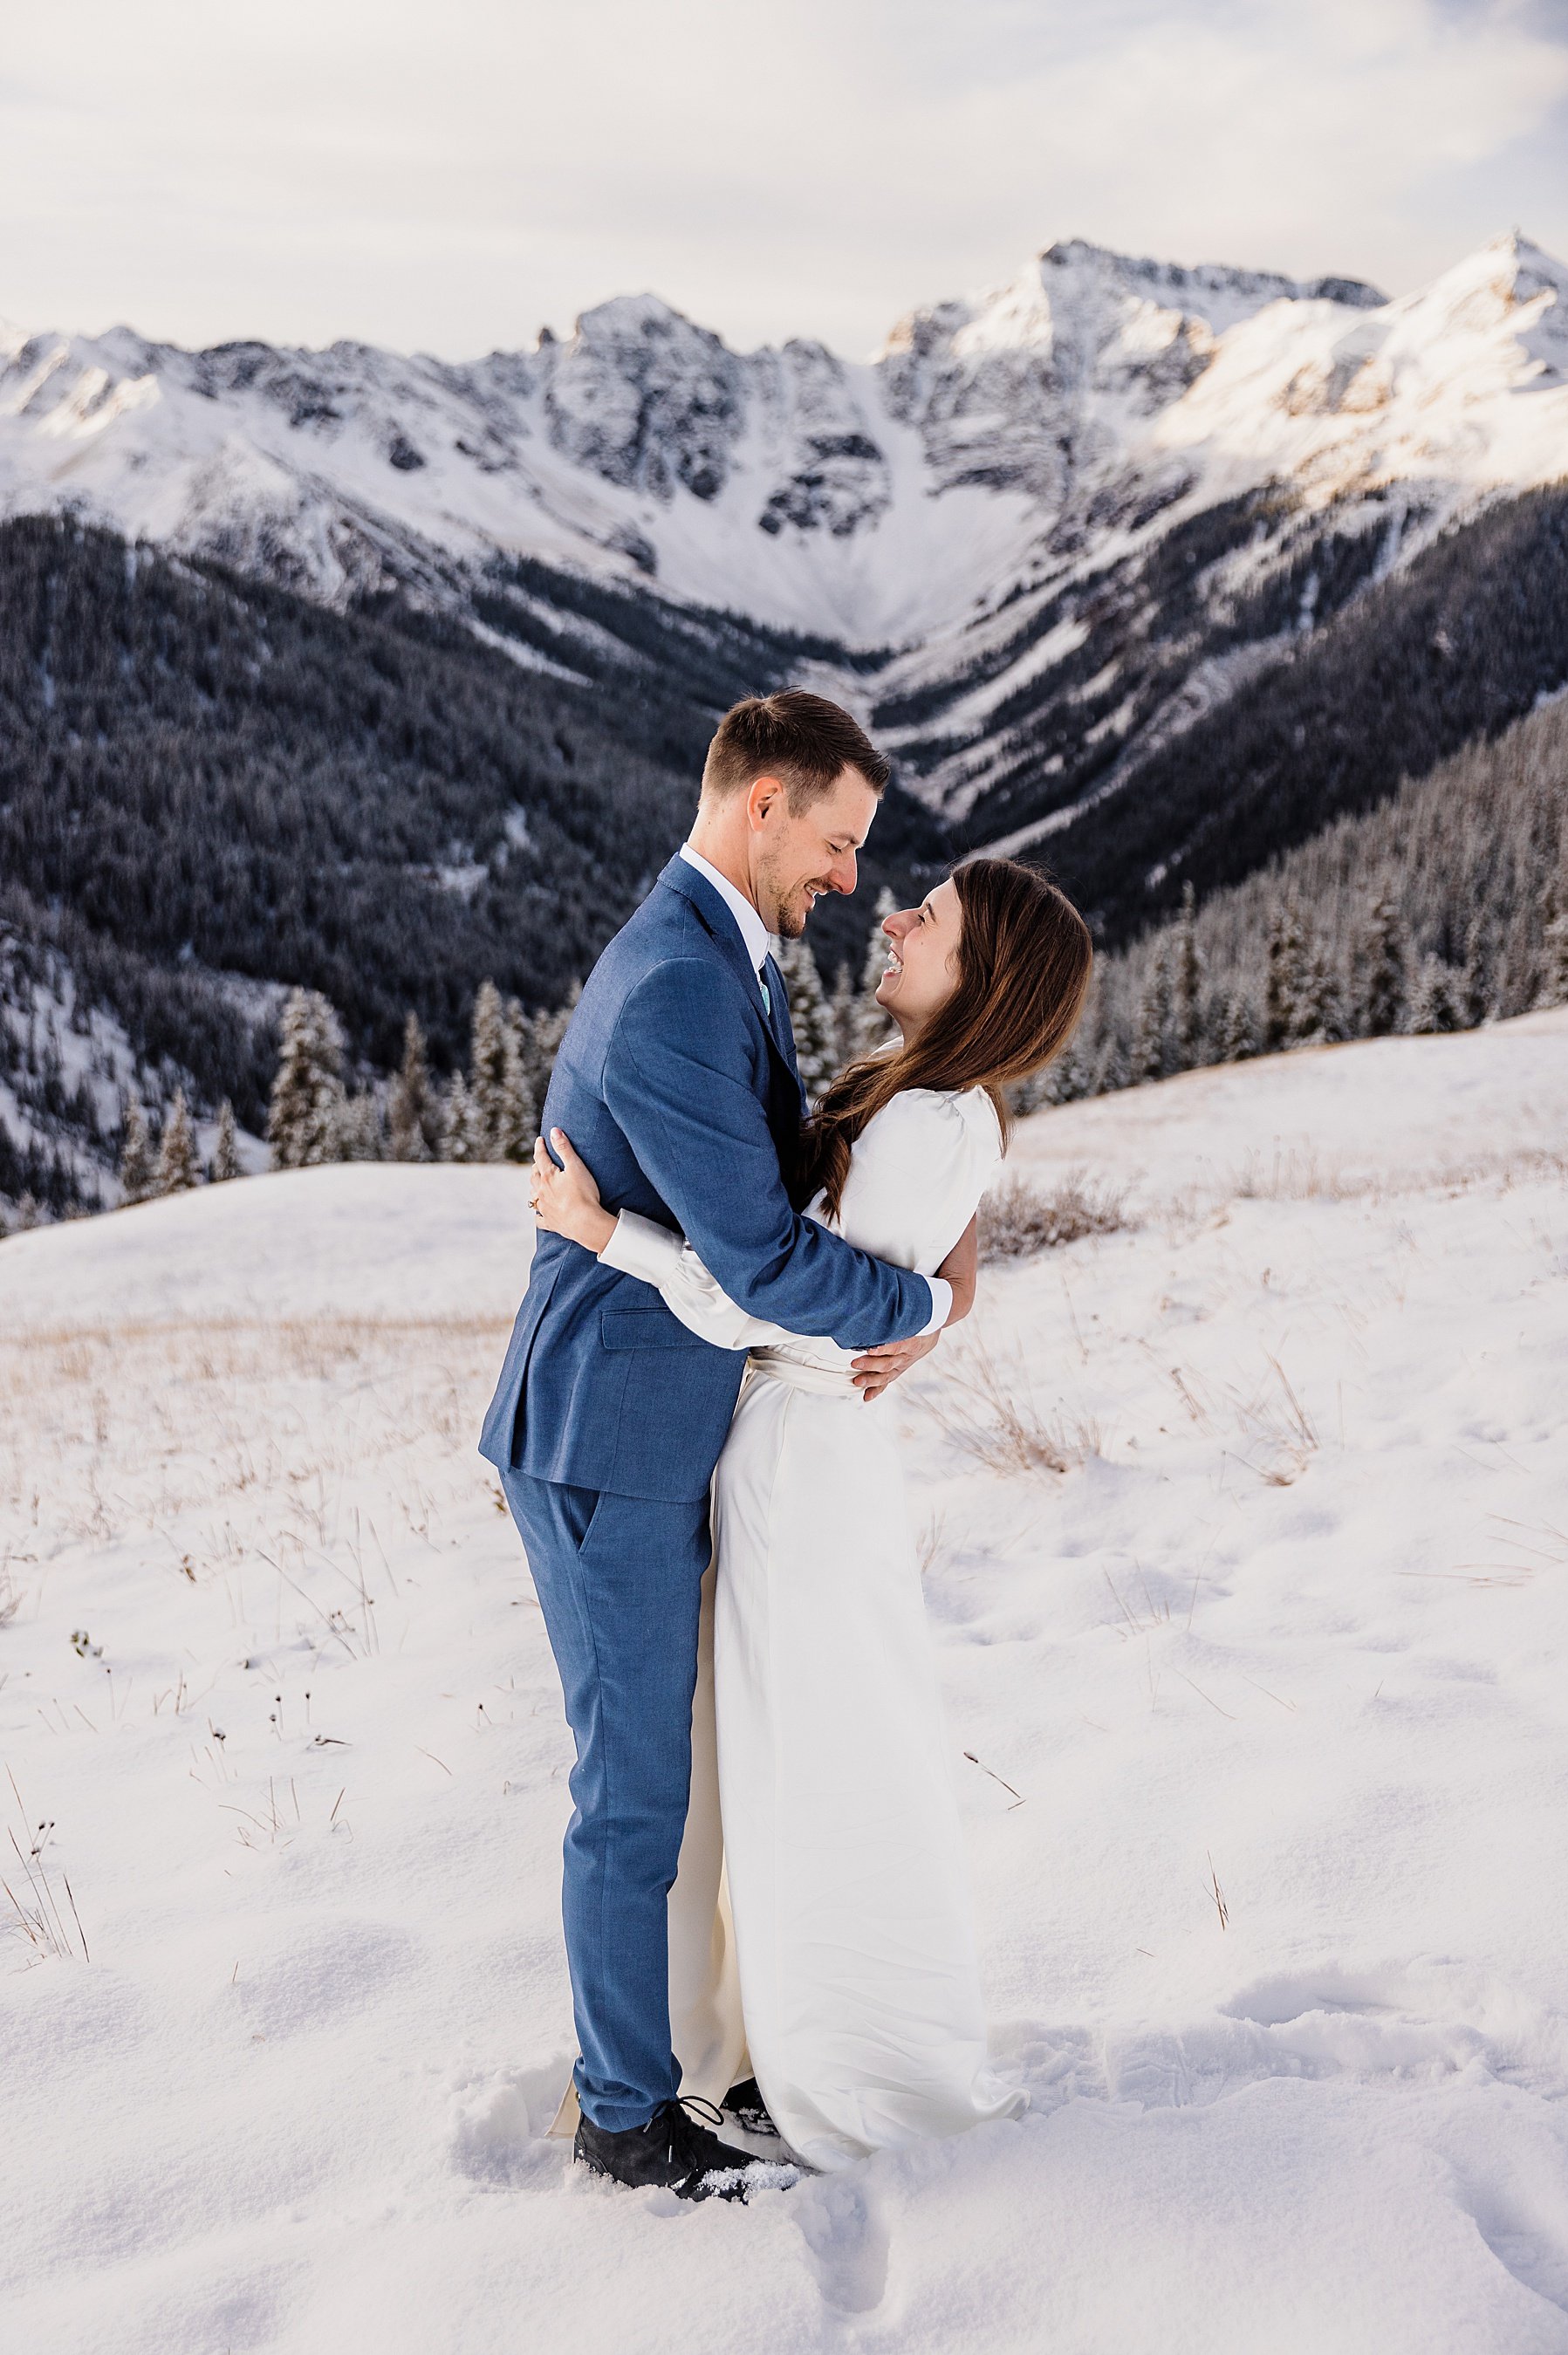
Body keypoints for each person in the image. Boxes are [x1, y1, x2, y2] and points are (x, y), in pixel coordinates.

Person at [479, 692, 976, 2202]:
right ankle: (624, 2119)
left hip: (660, 1428)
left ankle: (687, 2059)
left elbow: (773, 1176)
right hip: (607, 1437)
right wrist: (920, 1305)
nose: (846, 881)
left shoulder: (724, 949)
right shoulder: (682, 984)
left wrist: (955, 1269)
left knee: (674, 1781)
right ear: (762, 805)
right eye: (834, 843)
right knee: (630, 1789)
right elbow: (760, 1256)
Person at [531, 852, 1093, 2174]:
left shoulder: (922, 1121)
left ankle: (819, 2052)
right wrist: (948, 1305)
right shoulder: (946, 1107)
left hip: (794, 1453)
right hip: (800, 1446)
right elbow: (933, 1260)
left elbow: (776, 1296)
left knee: (794, 1764)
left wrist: (602, 1230)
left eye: (931, 918)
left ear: (982, 978)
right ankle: (781, 2034)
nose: (891, 914)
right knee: (795, 1754)